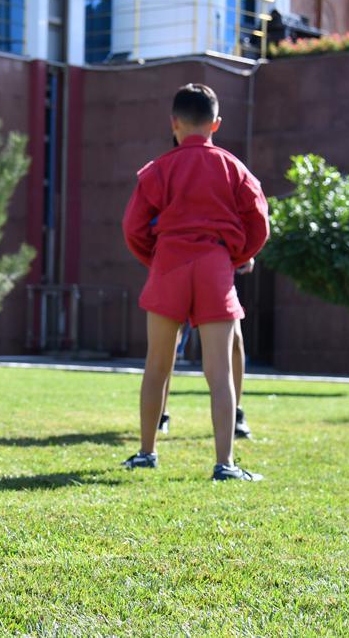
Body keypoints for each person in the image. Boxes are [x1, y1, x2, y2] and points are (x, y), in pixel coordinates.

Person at [121, 83, 269, 481]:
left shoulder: (158, 168)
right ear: (216, 124)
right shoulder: (233, 166)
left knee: (157, 366)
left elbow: (133, 226)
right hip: (214, 265)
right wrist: (234, 256)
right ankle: (225, 464)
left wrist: (155, 259)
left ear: (174, 123)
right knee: (219, 373)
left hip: (169, 262)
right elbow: (259, 222)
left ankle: (146, 453)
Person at [155, 259, 254, 438]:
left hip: (217, 266)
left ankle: (236, 414)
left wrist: (247, 253)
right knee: (168, 341)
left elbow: (254, 231)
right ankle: (160, 414)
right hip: (177, 260)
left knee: (235, 340)